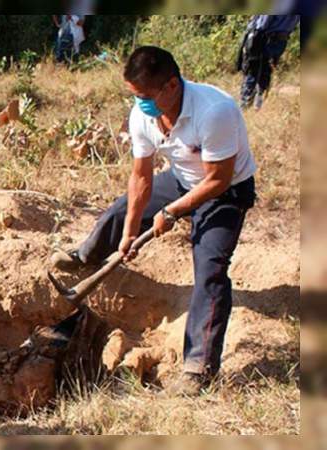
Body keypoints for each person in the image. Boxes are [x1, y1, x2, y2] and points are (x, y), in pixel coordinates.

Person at [50, 46, 257, 395]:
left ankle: (198, 368)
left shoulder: (214, 111)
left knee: (210, 268)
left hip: (226, 191)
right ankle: (87, 256)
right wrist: (131, 231)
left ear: (171, 86)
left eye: (145, 96)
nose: (139, 103)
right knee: (119, 211)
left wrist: (172, 212)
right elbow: (141, 178)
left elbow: (218, 179)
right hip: (181, 179)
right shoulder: (142, 114)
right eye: (134, 96)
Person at [237, 14, 300, 110]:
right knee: (266, 71)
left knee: (252, 70)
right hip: (281, 39)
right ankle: (258, 104)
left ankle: (244, 105)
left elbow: (263, 23)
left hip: (264, 37)